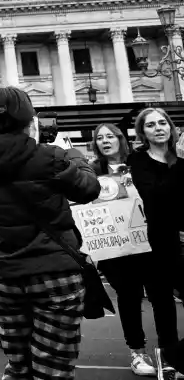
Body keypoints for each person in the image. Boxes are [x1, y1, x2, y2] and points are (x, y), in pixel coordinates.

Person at [0, 87, 101, 380]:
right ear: (29, 119)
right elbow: (89, 189)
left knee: (18, 363)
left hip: (3, 275)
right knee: (53, 367)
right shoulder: (49, 157)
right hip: (54, 273)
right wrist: (73, 155)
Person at [90, 122, 173, 376]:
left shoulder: (139, 162)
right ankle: (137, 352)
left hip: (150, 242)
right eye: (100, 138)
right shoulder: (91, 170)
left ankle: (170, 353)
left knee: (161, 296)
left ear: (120, 139)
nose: (105, 141)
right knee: (128, 297)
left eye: (110, 136)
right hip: (115, 248)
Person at [127, 109, 184, 374]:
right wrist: (178, 164)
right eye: (151, 125)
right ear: (143, 133)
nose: (159, 128)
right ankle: (170, 361)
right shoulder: (138, 161)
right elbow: (154, 197)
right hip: (154, 242)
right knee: (163, 305)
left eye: (163, 123)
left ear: (171, 128)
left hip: (181, 238)